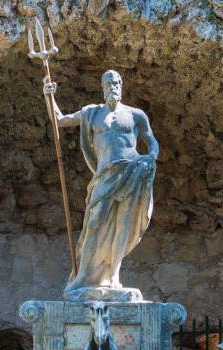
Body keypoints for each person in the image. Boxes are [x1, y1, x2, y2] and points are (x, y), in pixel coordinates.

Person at [44, 70, 158, 297]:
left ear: (121, 85)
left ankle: (114, 276)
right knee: (94, 223)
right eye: (108, 83)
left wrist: (151, 158)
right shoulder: (92, 114)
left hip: (132, 171)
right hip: (105, 176)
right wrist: (49, 97)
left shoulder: (136, 115)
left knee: (123, 226)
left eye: (115, 82)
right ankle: (82, 278)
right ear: (102, 87)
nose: (112, 86)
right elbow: (60, 121)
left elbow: (151, 141)